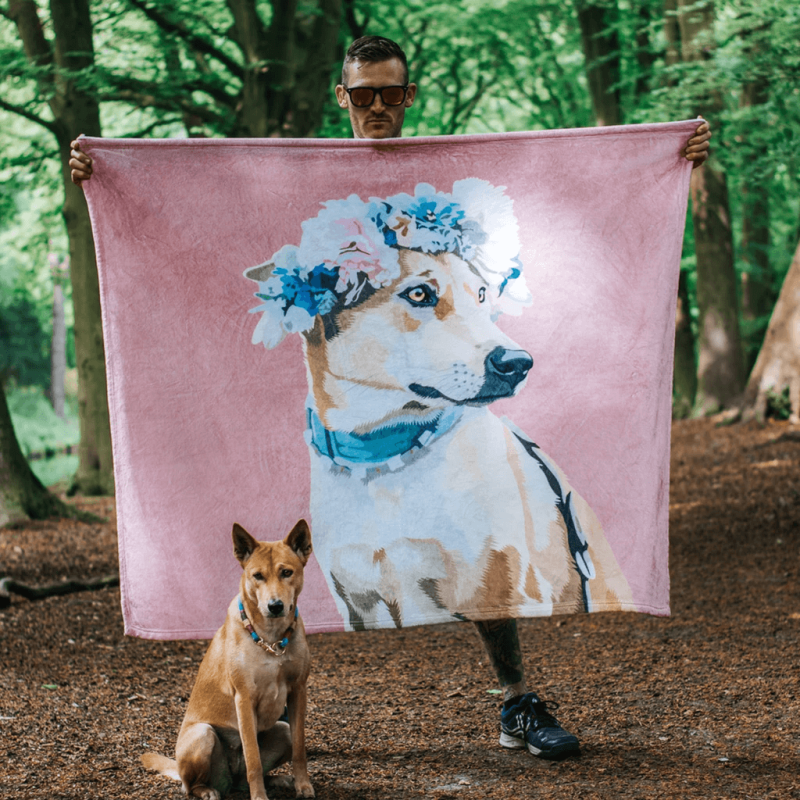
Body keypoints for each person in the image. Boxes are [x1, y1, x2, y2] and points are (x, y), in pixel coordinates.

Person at [68, 35, 711, 761]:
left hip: (447, 437)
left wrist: (664, 161)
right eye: (364, 94)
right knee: (284, 585)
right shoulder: (307, 182)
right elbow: (205, 215)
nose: (379, 107)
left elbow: (570, 182)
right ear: (342, 97)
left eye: (393, 94)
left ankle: (517, 702)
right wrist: (109, 177)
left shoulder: (434, 183)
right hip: (344, 450)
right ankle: (249, 718)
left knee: (487, 579)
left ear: (410, 97)